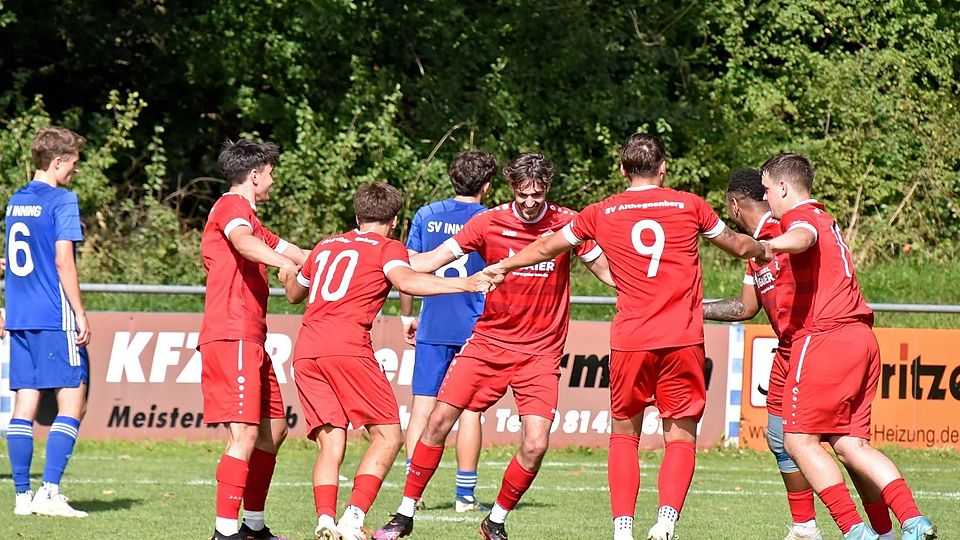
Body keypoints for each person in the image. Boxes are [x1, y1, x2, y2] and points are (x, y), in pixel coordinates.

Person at [482, 135, 768, 540]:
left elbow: (547, 246)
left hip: (631, 338)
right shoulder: (690, 205)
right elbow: (738, 246)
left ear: (622, 170)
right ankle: (666, 522)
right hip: (682, 337)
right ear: (664, 167)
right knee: (680, 435)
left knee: (624, 435)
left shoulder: (600, 212)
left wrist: (504, 265)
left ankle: (622, 530)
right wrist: (768, 249)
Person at [373, 153, 612, 540]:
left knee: (535, 445)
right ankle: (404, 513)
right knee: (436, 421)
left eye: (538, 193)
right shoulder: (488, 221)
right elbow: (432, 260)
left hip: (540, 353)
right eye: (523, 194)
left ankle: (495, 520)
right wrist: (379, 256)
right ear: (510, 188)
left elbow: (605, 271)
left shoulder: (569, 223)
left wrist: (646, 289)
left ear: (548, 187)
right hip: (488, 342)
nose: (531, 202)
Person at [278, 182, 485, 540]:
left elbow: (296, 294)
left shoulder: (327, 245)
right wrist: (465, 284)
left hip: (307, 349)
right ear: (394, 221)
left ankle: (325, 519)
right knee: (389, 437)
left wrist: (287, 275)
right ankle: (353, 519)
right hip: (347, 347)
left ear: (357, 216)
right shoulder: (387, 248)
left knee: (330, 441)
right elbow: (407, 280)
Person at [704, 168, 894, 540]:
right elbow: (745, 308)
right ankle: (806, 526)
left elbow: (808, 243)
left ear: (733, 204)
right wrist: (693, 308)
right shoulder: (757, 247)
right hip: (789, 350)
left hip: (818, 345)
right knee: (780, 438)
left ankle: (877, 529)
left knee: (843, 446)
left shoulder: (788, 231)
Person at [759, 153, 937, 540]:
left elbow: (803, 238)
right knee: (852, 444)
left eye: (768, 188)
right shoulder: (827, 216)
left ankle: (855, 532)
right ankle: (913, 520)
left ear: (785, 188)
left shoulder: (798, 219)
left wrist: (772, 247)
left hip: (826, 337)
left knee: (798, 441)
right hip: (861, 337)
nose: (767, 197)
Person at [198, 139, 307, 540]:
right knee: (243, 435)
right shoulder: (231, 207)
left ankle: (253, 526)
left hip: (252, 338)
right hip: (231, 334)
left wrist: (335, 258)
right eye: (271, 172)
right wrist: (282, 264)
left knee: (273, 430)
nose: (273, 179)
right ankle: (225, 533)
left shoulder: (252, 218)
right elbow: (243, 243)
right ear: (255, 174)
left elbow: (294, 250)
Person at [399, 150, 495, 513]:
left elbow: (406, 268)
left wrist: (407, 315)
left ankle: (414, 491)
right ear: (487, 185)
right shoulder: (491, 219)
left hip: (433, 321)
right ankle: (465, 495)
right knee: (470, 409)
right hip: (476, 326)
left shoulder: (427, 214)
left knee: (422, 404)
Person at [3, 126, 91, 518]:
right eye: (73, 164)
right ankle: (50, 490)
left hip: (20, 317)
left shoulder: (15, 201)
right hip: (54, 316)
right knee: (75, 396)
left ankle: (22, 496)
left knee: (24, 403)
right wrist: (80, 312)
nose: (75, 171)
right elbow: (62, 260)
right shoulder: (62, 200)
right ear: (57, 161)